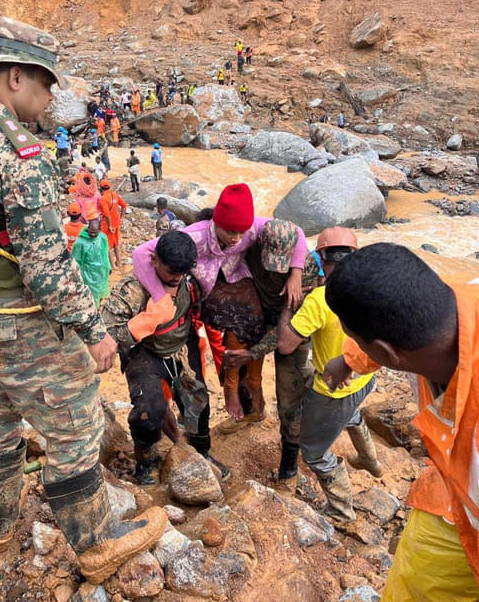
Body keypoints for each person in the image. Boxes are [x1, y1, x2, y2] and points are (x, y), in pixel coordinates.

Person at [0, 17, 164, 582]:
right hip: (22, 320)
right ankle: (96, 544)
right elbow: (47, 264)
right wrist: (93, 330)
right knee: (76, 426)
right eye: (47, 84)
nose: (52, 96)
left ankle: (0, 527)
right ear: (15, 75)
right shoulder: (17, 151)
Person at [323, 244, 479, 601]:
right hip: (456, 497)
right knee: (414, 584)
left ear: (388, 354)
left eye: (353, 338)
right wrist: (350, 359)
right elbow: (399, 311)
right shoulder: (464, 296)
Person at [133, 184, 308, 421]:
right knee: (227, 330)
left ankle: (250, 385)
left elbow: (296, 231)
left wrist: (296, 273)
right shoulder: (196, 235)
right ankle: (231, 388)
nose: (236, 238)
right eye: (229, 232)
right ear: (217, 222)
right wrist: (160, 296)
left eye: (241, 232)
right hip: (208, 288)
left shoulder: (253, 227)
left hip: (235, 278)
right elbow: (141, 253)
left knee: (252, 323)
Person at [102, 231, 229, 484]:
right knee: (148, 412)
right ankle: (147, 458)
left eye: (181, 274)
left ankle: (200, 451)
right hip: (145, 352)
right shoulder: (132, 290)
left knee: (197, 404)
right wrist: (145, 322)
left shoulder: (190, 281)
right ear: (155, 261)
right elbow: (105, 335)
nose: (176, 279)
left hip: (182, 346)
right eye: (172, 273)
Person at [277, 228, 381, 520]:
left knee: (313, 452)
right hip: (365, 377)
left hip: (333, 388)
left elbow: (286, 346)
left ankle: (341, 510)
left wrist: (287, 311)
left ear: (321, 257)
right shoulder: (372, 289)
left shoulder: (321, 299)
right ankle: (370, 461)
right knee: (352, 412)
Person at [222, 221, 320, 490]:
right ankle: (252, 413)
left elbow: (288, 332)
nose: (273, 269)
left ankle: (289, 466)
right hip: (256, 315)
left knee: (289, 397)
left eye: (282, 264)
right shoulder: (250, 246)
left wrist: (252, 352)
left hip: (291, 329)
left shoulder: (308, 272)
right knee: (235, 369)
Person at [72, 216, 112, 308]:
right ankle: (94, 310)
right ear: (88, 228)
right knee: (92, 295)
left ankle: (97, 306)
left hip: (102, 271)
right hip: (89, 274)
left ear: (100, 230)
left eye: (95, 232)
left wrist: (108, 266)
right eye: (91, 232)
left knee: (101, 290)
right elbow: (76, 261)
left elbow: (105, 253)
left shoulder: (102, 237)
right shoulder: (80, 243)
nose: (93, 235)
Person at [100, 180, 127, 269]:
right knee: (116, 243)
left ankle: (113, 265)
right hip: (116, 223)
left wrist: (109, 226)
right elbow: (124, 205)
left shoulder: (103, 199)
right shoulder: (114, 195)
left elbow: (107, 214)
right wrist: (122, 218)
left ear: (101, 188)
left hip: (107, 225)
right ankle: (119, 262)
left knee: (107, 245)